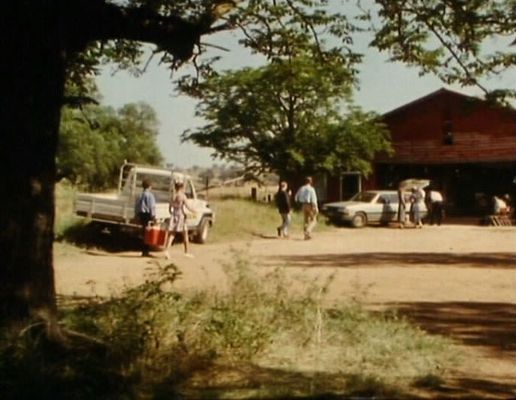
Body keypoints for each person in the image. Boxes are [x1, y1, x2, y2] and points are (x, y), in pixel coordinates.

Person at [164, 181, 196, 259]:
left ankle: (167, 250)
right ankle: (186, 252)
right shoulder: (182, 196)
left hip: (174, 215)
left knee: (172, 234)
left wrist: (172, 213)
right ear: (181, 188)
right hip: (181, 216)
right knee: (185, 234)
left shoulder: (173, 196)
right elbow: (187, 206)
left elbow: (170, 208)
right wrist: (194, 211)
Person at [134, 179, 156, 257]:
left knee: (143, 232)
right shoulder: (150, 195)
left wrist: (136, 215)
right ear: (150, 186)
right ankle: (146, 251)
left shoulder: (140, 195)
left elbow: (137, 206)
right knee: (148, 233)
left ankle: (144, 250)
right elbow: (152, 207)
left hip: (141, 215)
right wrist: (153, 216)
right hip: (148, 215)